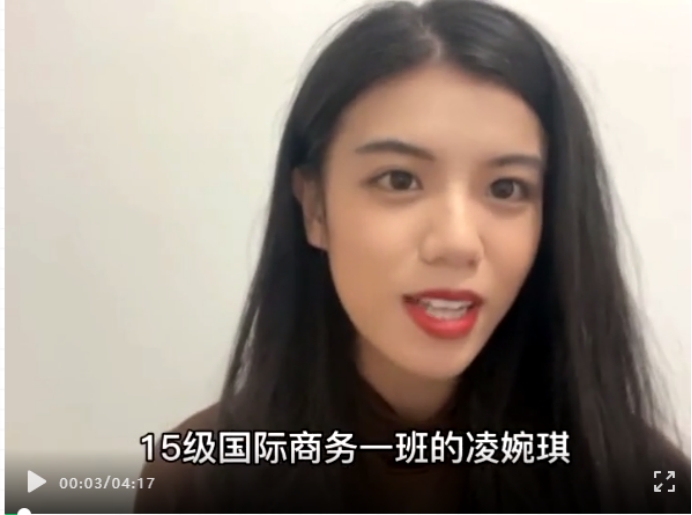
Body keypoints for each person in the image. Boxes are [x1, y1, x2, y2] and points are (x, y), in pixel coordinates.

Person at [134, 0, 690, 512]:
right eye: (398, 180)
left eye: (506, 188)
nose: (456, 242)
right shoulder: (200, 481)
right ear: (315, 208)